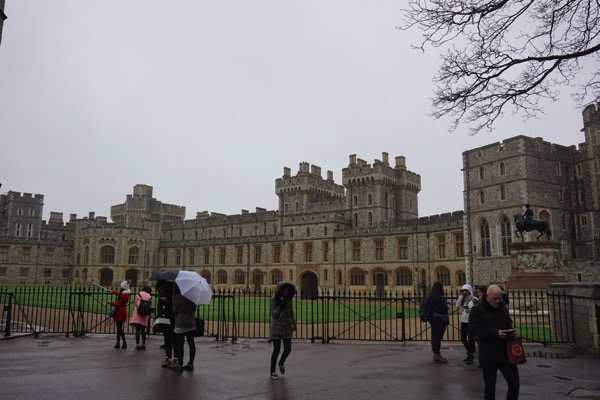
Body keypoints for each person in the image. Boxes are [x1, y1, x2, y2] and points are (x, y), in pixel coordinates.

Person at [469, 285, 519, 400]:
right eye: (494, 298)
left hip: (505, 353)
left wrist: (510, 331)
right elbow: (473, 330)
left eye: (499, 298)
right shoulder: (477, 310)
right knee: (490, 387)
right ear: (487, 296)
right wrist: (495, 333)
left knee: (514, 384)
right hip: (488, 354)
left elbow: (508, 323)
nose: (498, 301)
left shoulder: (502, 308)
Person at [269, 282, 297, 379]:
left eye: (287, 290)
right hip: (276, 327)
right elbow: (274, 315)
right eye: (285, 290)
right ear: (281, 290)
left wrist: (294, 324)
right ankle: (272, 371)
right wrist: (280, 307)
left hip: (286, 327)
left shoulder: (288, 300)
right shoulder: (273, 299)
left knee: (288, 349)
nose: (287, 291)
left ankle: (281, 362)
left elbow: (291, 313)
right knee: (276, 350)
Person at [171, 286, 198, 372]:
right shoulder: (194, 297)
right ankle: (191, 364)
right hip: (191, 321)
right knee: (191, 343)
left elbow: (175, 309)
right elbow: (195, 309)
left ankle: (181, 365)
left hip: (181, 322)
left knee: (180, 344)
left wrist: (173, 300)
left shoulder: (180, 296)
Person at [426, 281, 449, 363]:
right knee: (437, 337)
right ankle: (437, 354)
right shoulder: (438, 296)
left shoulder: (431, 295)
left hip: (433, 318)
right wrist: (447, 306)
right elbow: (443, 307)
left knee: (435, 336)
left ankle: (436, 354)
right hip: (439, 318)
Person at [156, 281, 176, 368]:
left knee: (176, 340)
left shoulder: (174, 292)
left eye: (160, 288)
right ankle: (167, 358)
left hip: (174, 318)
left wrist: (167, 301)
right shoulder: (162, 294)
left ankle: (176, 359)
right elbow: (159, 305)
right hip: (165, 318)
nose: (159, 290)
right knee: (167, 339)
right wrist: (159, 314)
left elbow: (176, 306)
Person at [108, 280, 131, 349]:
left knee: (120, 329)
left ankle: (124, 342)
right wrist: (113, 292)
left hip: (120, 313)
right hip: (120, 312)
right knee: (119, 329)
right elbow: (119, 294)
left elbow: (119, 304)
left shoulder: (124, 295)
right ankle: (118, 343)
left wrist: (110, 303)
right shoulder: (125, 293)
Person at [456, 284, 475, 364]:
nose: (464, 292)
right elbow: (457, 305)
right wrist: (461, 297)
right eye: (463, 290)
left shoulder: (473, 299)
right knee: (463, 339)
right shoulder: (463, 299)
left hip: (470, 321)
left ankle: (470, 355)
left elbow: (472, 310)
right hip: (464, 321)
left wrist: (466, 307)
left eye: (466, 290)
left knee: (471, 339)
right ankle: (470, 353)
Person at [130, 286, 152, 350]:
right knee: (143, 330)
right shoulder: (149, 296)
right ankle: (143, 344)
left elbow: (135, 305)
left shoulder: (138, 294)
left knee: (137, 330)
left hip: (137, 313)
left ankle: (137, 344)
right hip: (144, 314)